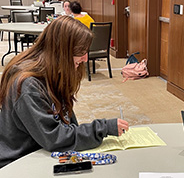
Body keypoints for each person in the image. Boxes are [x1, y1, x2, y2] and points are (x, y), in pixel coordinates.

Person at [0, 16, 129, 168]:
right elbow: (54, 139)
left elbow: (65, 121)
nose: (86, 58)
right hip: (20, 161)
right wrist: (102, 128)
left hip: (40, 150)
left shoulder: (53, 71)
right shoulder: (29, 85)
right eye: (81, 52)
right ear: (62, 51)